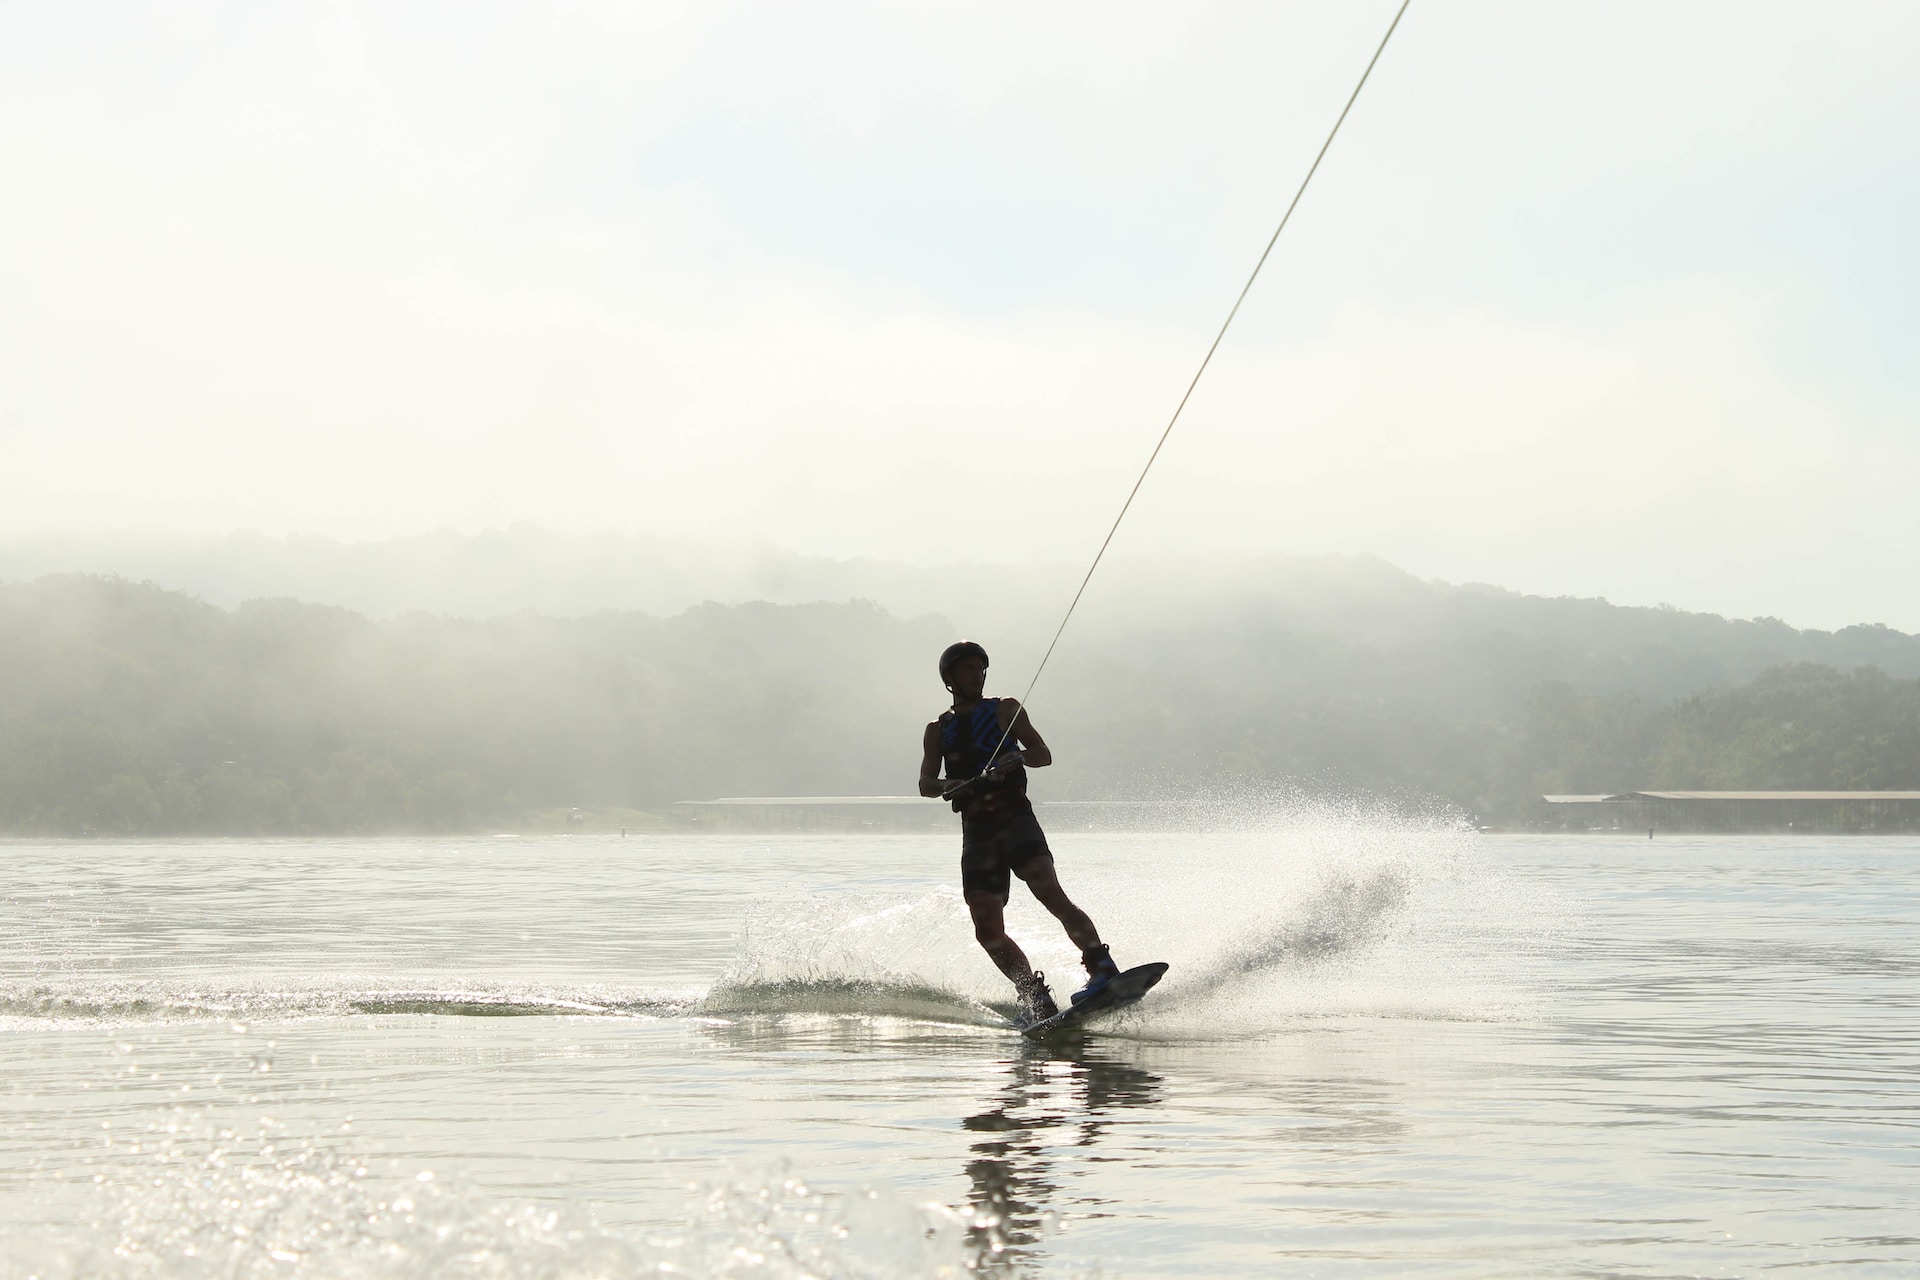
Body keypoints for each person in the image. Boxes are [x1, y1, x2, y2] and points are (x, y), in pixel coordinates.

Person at [919, 640, 1120, 1023]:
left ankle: (1101, 968)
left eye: (981, 668)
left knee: (1048, 890)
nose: (976, 674)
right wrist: (948, 785)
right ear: (949, 678)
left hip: (1015, 819)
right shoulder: (936, 729)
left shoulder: (1005, 709)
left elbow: (1043, 753)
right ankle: (1034, 996)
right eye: (967, 669)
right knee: (986, 928)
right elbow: (925, 782)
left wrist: (1019, 756)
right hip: (977, 832)